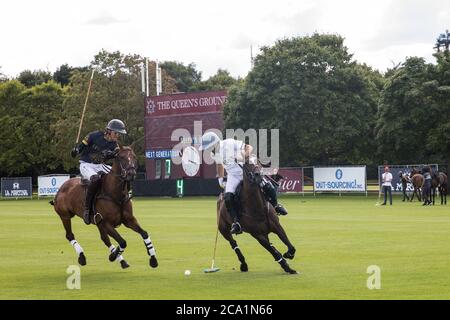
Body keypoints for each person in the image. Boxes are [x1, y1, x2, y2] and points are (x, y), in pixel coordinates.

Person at [199, 132, 288, 235]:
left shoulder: (229, 143)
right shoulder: (213, 154)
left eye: (208, 147)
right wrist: (220, 178)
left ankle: (276, 206)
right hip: (233, 175)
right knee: (228, 197)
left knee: (268, 186)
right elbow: (219, 165)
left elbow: (249, 147)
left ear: (214, 143)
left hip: (245, 169)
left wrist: (243, 156)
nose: (207, 149)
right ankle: (236, 223)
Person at [71, 119, 127, 224]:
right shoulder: (93, 136)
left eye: (119, 134)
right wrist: (75, 151)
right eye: (116, 133)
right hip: (87, 165)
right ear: (109, 131)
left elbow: (115, 153)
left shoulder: (114, 144)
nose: (117, 136)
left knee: (119, 176)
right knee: (96, 179)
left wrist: (110, 154)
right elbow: (81, 147)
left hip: (100, 165)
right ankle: (87, 209)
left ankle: (121, 202)